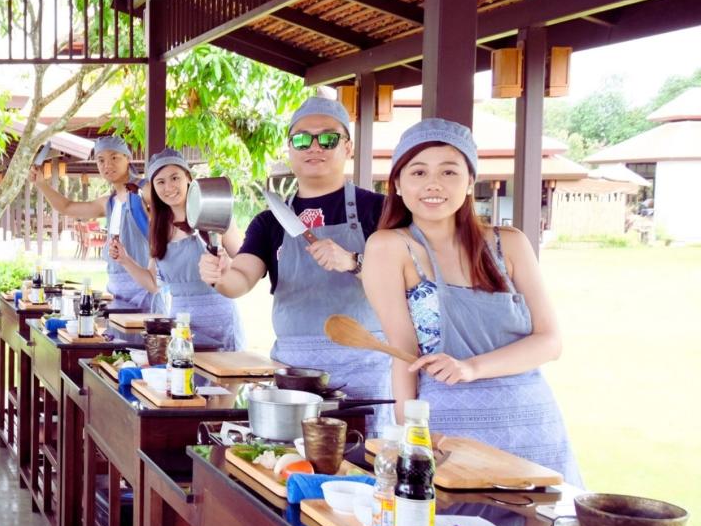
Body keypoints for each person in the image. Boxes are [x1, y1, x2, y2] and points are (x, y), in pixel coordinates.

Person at [362, 118, 580, 483]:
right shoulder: (388, 247)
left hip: (532, 422)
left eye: (449, 172)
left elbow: (549, 341)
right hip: (448, 427)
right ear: (397, 184)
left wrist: (471, 368)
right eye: (418, 172)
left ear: (469, 182)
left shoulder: (511, 243)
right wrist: (410, 437)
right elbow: (403, 354)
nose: (433, 184)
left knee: (545, 516)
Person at [199, 95, 390, 406]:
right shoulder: (270, 221)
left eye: (328, 139)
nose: (314, 147)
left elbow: (406, 279)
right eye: (301, 139)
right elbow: (241, 279)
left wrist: (353, 261)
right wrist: (219, 276)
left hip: (365, 367)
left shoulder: (380, 210)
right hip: (294, 373)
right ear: (289, 148)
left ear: (348, 147)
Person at [112, 148, 245, 351]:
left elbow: (246, 263)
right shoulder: (157, 228)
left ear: (188, 178)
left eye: (175, 178)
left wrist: (227, 266)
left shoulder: (214, 213)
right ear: (153, 188)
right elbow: (153, 284)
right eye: (160, 182)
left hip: (220, 321)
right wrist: (124, 260)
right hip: (181, 326)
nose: (169, 187)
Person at [31, 134, 153, 311]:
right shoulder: (109, 202)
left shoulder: (145, 191)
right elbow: (67, 207)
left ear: (127, 158)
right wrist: (41, 183)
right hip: (117, 290)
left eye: (114, 157)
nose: (107, 165)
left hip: (146, 289)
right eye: (101, 160)